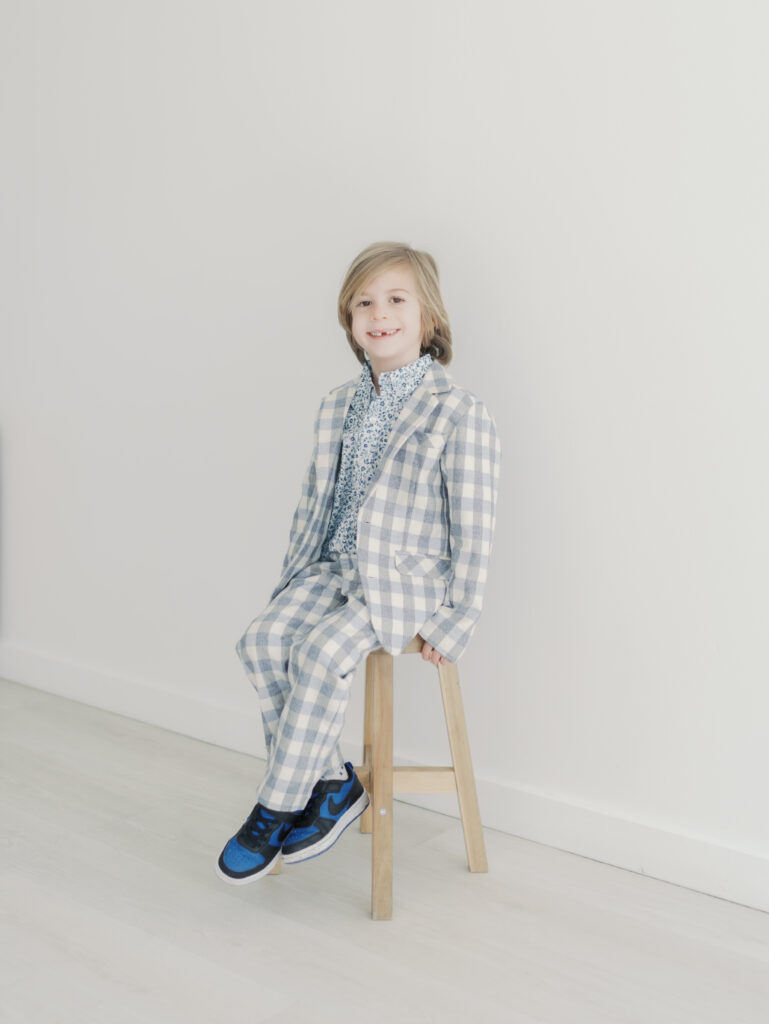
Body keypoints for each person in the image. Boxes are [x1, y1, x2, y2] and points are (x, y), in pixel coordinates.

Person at [216, 241, 501, 885]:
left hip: (401, 587)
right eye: (363, 304)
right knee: (261, 642)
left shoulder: (458, 411)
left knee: (319, 654)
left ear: (428, 316)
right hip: (332, 567)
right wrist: (291, 580)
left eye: (396, 300)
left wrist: (458, 617)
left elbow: (476, 525)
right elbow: (314, 503)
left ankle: (274, 807)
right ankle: (333, 783)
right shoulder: (337, 405)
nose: (379, 314)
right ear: (349, 321)